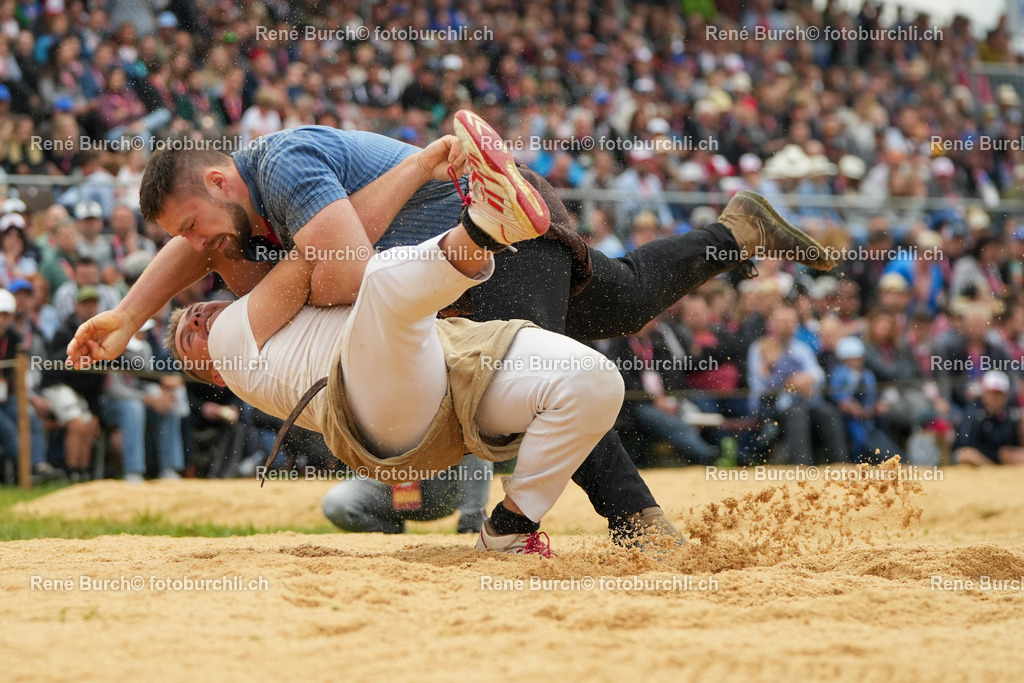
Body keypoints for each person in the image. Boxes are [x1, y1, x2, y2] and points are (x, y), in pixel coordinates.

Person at [69, 111, 835, 543]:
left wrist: (288, 262)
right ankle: (735, 232)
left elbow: (339, 272)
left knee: (535, 374)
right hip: (480, 242)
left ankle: (634, 522)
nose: (199, 251)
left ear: (218, 180)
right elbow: (205, 241)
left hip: (487, 235)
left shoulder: (283, 164)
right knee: (627, 297)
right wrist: (129, 313)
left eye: (198, 228)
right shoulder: (231, 201)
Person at [167, 143, 624, 555]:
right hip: (368, 417)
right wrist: (416, 167)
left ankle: (511, 526)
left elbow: (322, 257)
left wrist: (130, 315)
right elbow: (325, 253)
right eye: (190, 338)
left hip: (442, 386)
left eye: (194, 311)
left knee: (594, 379)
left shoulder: (271, 311)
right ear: (218, 377)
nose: (198, 319)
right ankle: (485, 226)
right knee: (383, 280)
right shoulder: (232, 346)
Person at [953, 370, 1024, 466]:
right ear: (984, 393)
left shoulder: (1010, 413)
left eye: (999, 394)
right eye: (992, 393)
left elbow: (1011, 441)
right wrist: (997, 454)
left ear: (1006, 395)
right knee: (966, 455)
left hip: (1006, 457)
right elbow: (966, 444)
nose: (995, 398)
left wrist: (1011, 452)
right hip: (982, 456)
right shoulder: (973, 412)